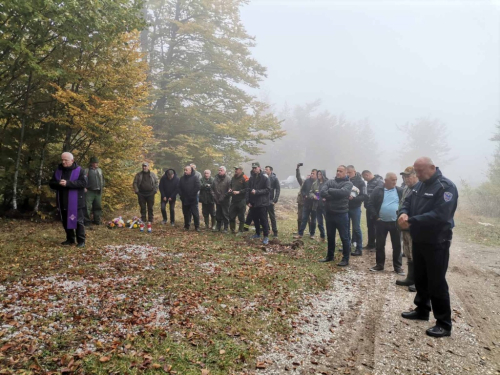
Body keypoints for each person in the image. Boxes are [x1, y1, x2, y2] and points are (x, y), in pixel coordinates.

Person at [398, 157, 458, 338]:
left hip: (437, 241)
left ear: (432, 168)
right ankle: (422, 310)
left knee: (436, 281)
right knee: (421, 277)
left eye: (421, 171)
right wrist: (403, 213)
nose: (418, 175)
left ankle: (444, 323)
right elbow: (407, 202)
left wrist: (412, 220)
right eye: (416, 171)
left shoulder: (446, 187)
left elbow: (441, 214)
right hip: (419, 239)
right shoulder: (419, 185)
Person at [367, 173, 404, 274]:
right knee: (380, 245)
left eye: (396, 180)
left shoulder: (400, 190)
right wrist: (376, 217)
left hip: (395, 223)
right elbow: (370, 204)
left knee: (397, 245)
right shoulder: (378, 190)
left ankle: (398, 267)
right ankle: (379, 265)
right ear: (386, 180)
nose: (394, 182)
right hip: (381, 222)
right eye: (392, 180)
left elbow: (405, 203)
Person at [49, 152, 87, 247]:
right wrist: (58, 183)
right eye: (62, 160)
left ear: (72, 160)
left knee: (78, 221)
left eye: (66, 160)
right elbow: (51, 183)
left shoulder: (80, 170)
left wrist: (68, 183)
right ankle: (70, 239)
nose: (63, 162)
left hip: (76, 201)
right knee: (65, 220)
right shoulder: (58, 170)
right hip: (62, 200)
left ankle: (81, 241)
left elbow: (83, 183)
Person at [319, 165, 353, 266]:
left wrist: (330, 192)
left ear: (346, 173)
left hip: (341, 214)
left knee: (344, 237)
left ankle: (345, 259)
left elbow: (344, 192)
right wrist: (335, 194)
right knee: (330, 236)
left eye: (341, 171)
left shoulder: (348, 183)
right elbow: (322, 192)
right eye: (337, 170)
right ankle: (330, 256)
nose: (338, 172)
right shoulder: (330, 182)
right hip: (329, 213)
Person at [396, 166, 419, 292]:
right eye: (404, 176)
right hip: (404, 225)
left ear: (415, 175)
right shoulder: (406, 188)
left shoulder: (419, 188)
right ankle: (410, 278)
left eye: (408, 176)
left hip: (414, 225)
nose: (405, 179)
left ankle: (417, 281)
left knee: (416, 253)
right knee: (408, 252)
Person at [246, 162, 271, 245]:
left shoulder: (265, 178)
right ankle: (257, 233)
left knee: (263, 220)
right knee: (255, 219)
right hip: (253, 203)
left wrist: (257, 192)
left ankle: (266, 236)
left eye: (255, 168)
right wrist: (248, 201)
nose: (254, 169)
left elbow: (267, 190)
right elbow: (248, 190)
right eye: (253, 168)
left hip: (262, 203)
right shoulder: (251, 178)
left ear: (259, 168)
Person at [347, 165, 367, 256]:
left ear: (354, 171)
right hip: (345, 207)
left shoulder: (361, 182)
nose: (348, 174)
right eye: (347, 172)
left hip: (355, 207)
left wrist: (354, 198)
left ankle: (359, 248)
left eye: (349, 172)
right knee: (345, 228)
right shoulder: (345, 181)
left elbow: (364, 196)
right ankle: (347, 246)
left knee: (356, 228)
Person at [361, 170, 384, 250]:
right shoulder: (369, 183)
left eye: (365, 178)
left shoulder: (379, 182)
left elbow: (380, 195)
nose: (365, 180)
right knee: (370, 226)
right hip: (369, 208)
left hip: (376, 209)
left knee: (377, 227)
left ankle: (378, 246)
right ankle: (371, 244)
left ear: (367, 175)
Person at [294, 169, 318, 239]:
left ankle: (312, 234)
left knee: (313, 220)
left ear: (316, 175)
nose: (312, 174)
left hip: (314, 204)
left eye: (313, 173)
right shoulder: (307, 181)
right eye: (311, 173)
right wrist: (305, 195)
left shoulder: (318, 182)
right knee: (304, 219)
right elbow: (303, 190)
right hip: (306, 203)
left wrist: (317, 197)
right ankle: (300, 234)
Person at [179, 165, 201, 231]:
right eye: (184, 170)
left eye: (186, 170)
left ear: (190, 171)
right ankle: (186, 225)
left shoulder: (195, 177)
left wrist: (192, 195)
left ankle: (197, 226)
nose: (185, 171)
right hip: (184, 199)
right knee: (186, 213)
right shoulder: (182, 178)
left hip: (193, 199)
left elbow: (198, 187)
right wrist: (181, 195)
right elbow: (179, 188)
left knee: (195, 213)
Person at [83, 156, 104, 226]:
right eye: (95, 163)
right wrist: (84, 187)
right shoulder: (86, 170)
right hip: (89, 191)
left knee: (98, 207)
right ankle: (87, 222)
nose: (97, 164)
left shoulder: (100, 170)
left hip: (98, 191)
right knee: (87, 207)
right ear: (91, 163)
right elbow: (83, 180)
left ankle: (97, 221)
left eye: (97, 163)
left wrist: (102, 185)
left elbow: (102, 179)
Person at [229, 166, 248, 235]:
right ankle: (232, 230)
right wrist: (230, 189)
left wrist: (239, 192)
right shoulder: (233, 177)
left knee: (241, 216)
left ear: (241, 170)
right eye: (235, 169)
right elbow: (230, 185)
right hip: (233, 199)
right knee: (231, 215)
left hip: (241, 200)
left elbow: (247, 189)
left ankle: (240, 230)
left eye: (237, 169)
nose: (235, 170)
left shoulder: (245, 178)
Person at [211, 166, 231, 232]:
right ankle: (218, 227)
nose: (219, 171)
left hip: (225, 200)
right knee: (218, 214)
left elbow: (230, 190)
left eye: (221, 170)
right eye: (219, 170)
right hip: (217, 200)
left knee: (225, 214)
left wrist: (223, 197)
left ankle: (226, 228)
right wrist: (215, 197)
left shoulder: (228, 179)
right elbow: (212, 189)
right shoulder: (215, 179)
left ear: (225, 171)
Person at [265, 166, 280, 237]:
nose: (265, 171)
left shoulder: (274, 178)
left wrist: (275, 199)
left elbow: (278, 189)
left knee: (272, 216)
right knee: (264, 216)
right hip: (263, 200)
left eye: (267, 169)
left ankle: (275, 231)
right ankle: (267, 229)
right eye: (265, 169)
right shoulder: (263, 177)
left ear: (270, 171)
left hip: (270, 200)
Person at [313, 170, 328, 242]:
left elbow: (331, 191)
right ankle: (322, 236)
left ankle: (330, 236)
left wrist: (327, 197)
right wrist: (313, 196)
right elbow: (311, 192)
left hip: (325, 206)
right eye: (318, 174)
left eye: (320, 174)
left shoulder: (328, 183)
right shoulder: (316, 183)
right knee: (319, 223)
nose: (319, 175)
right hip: (317, 205)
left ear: (323, 175)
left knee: (328, 222)